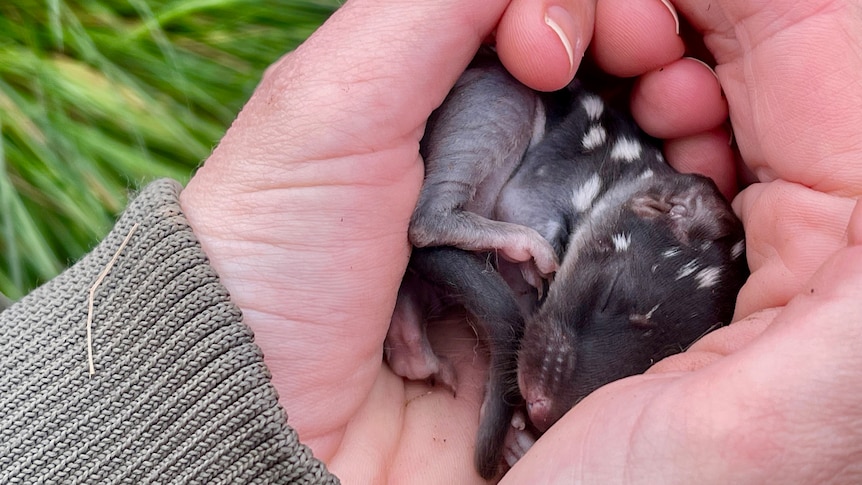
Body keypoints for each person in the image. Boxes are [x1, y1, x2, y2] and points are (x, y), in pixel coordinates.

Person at [2, 0, 861, 483]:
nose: (553, 397)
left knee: (506, 282)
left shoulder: (614, 252)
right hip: (500, 145)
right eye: (603, 306)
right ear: (660, 209)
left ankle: (418, 294)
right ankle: (445, 218)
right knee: (510, 95)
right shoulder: (639, 199)